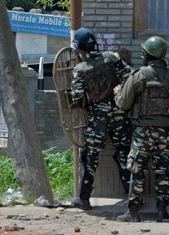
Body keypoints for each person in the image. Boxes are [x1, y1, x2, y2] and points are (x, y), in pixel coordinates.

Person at [114, 36, 169, 222]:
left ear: (147, 55)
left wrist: (118, 93)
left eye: (143, 53)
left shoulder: (139, 75)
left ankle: (133, 213)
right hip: (165, 133)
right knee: (163, 172)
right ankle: (162, 213)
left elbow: (124, 104)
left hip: (142, 133)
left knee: (137, 170)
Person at [69, 28, 134, 210]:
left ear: (79, 48)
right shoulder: (112, 57)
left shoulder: (80, 69)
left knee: (90, 156)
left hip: (98, 117)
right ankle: (133, 198)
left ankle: (84, 199)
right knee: (123, 152)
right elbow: (130, 76)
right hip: (120, 112)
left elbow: (77, 97)